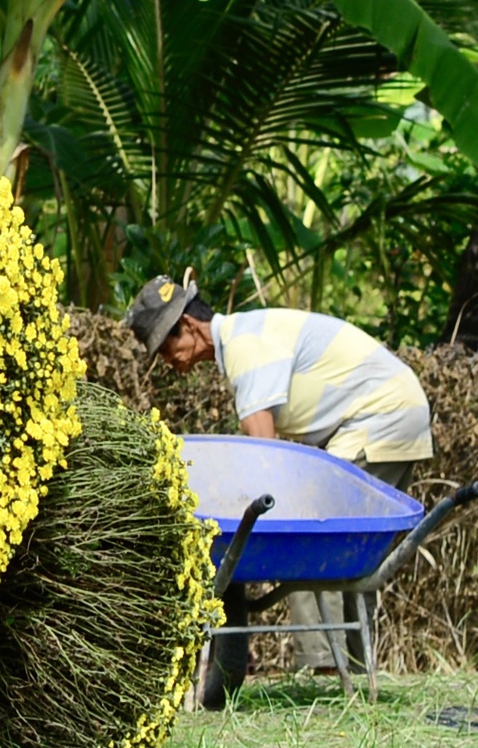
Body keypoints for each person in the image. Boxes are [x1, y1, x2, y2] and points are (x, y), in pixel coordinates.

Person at [126, 275, 432, 673]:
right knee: (356, 553)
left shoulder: (245, 348)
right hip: (397, 411)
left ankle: (322, 668)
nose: (169, 363)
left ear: (188, 326)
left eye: (166, 349)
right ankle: (354, 665)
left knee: (311, 541)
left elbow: (265, 462)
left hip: (379, 417)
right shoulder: (248, 334)